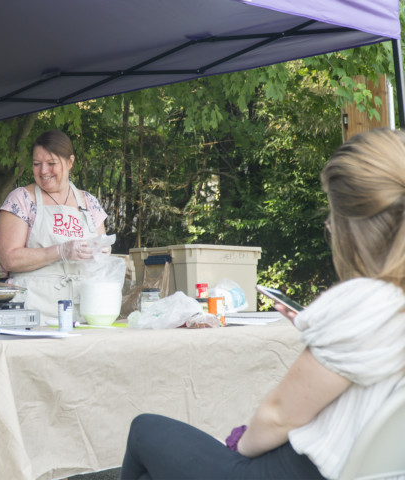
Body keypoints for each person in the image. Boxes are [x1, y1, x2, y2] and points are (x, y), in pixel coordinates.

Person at [120, 127, 405, 480]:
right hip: (368, 469)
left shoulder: (368, 299)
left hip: (304, 471)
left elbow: (278, 415)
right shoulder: (390, 302)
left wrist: (237, 454)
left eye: (332, 217)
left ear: (353, 225)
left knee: (144, 429)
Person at [0, 129, 109, 324]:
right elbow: (9, 259)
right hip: (32, 314)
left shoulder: (90, 203)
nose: (43, 171)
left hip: (84, 313)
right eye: (36, 164)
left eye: (51, 163)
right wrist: (61, 250)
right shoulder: (21, 199)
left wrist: (101, 252)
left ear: (70, 162)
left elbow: (103, 258)